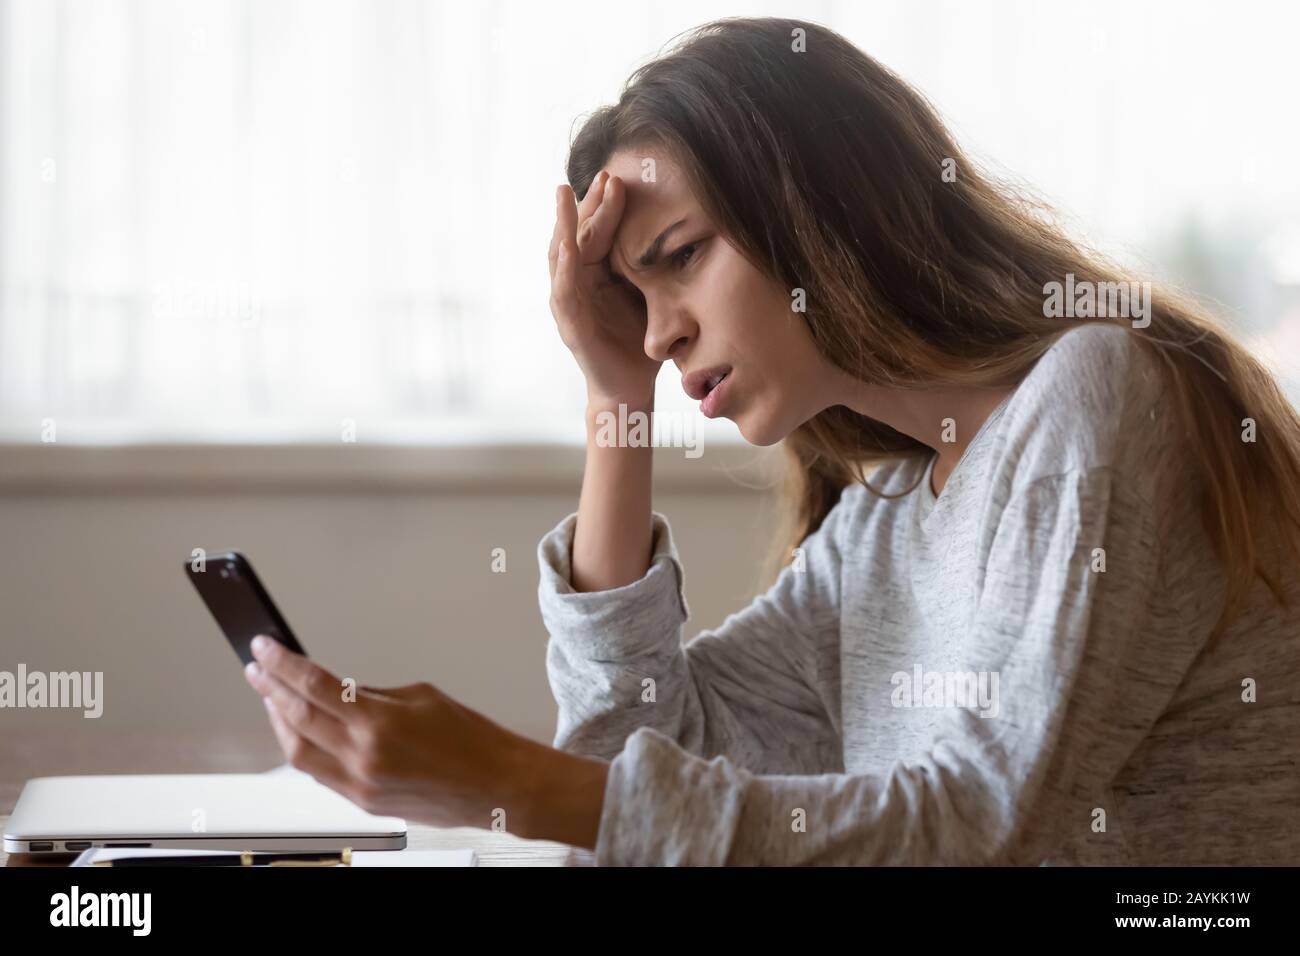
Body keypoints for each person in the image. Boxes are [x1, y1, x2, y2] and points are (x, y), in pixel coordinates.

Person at [245, 17, 1300, 866]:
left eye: (680, 256)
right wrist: (617, 397)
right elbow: (637, 750)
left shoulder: (1098, 393)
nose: (661, 332)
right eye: (636, 300)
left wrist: (513, 782)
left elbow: (987, 823)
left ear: (817, 208)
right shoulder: (884, 526)